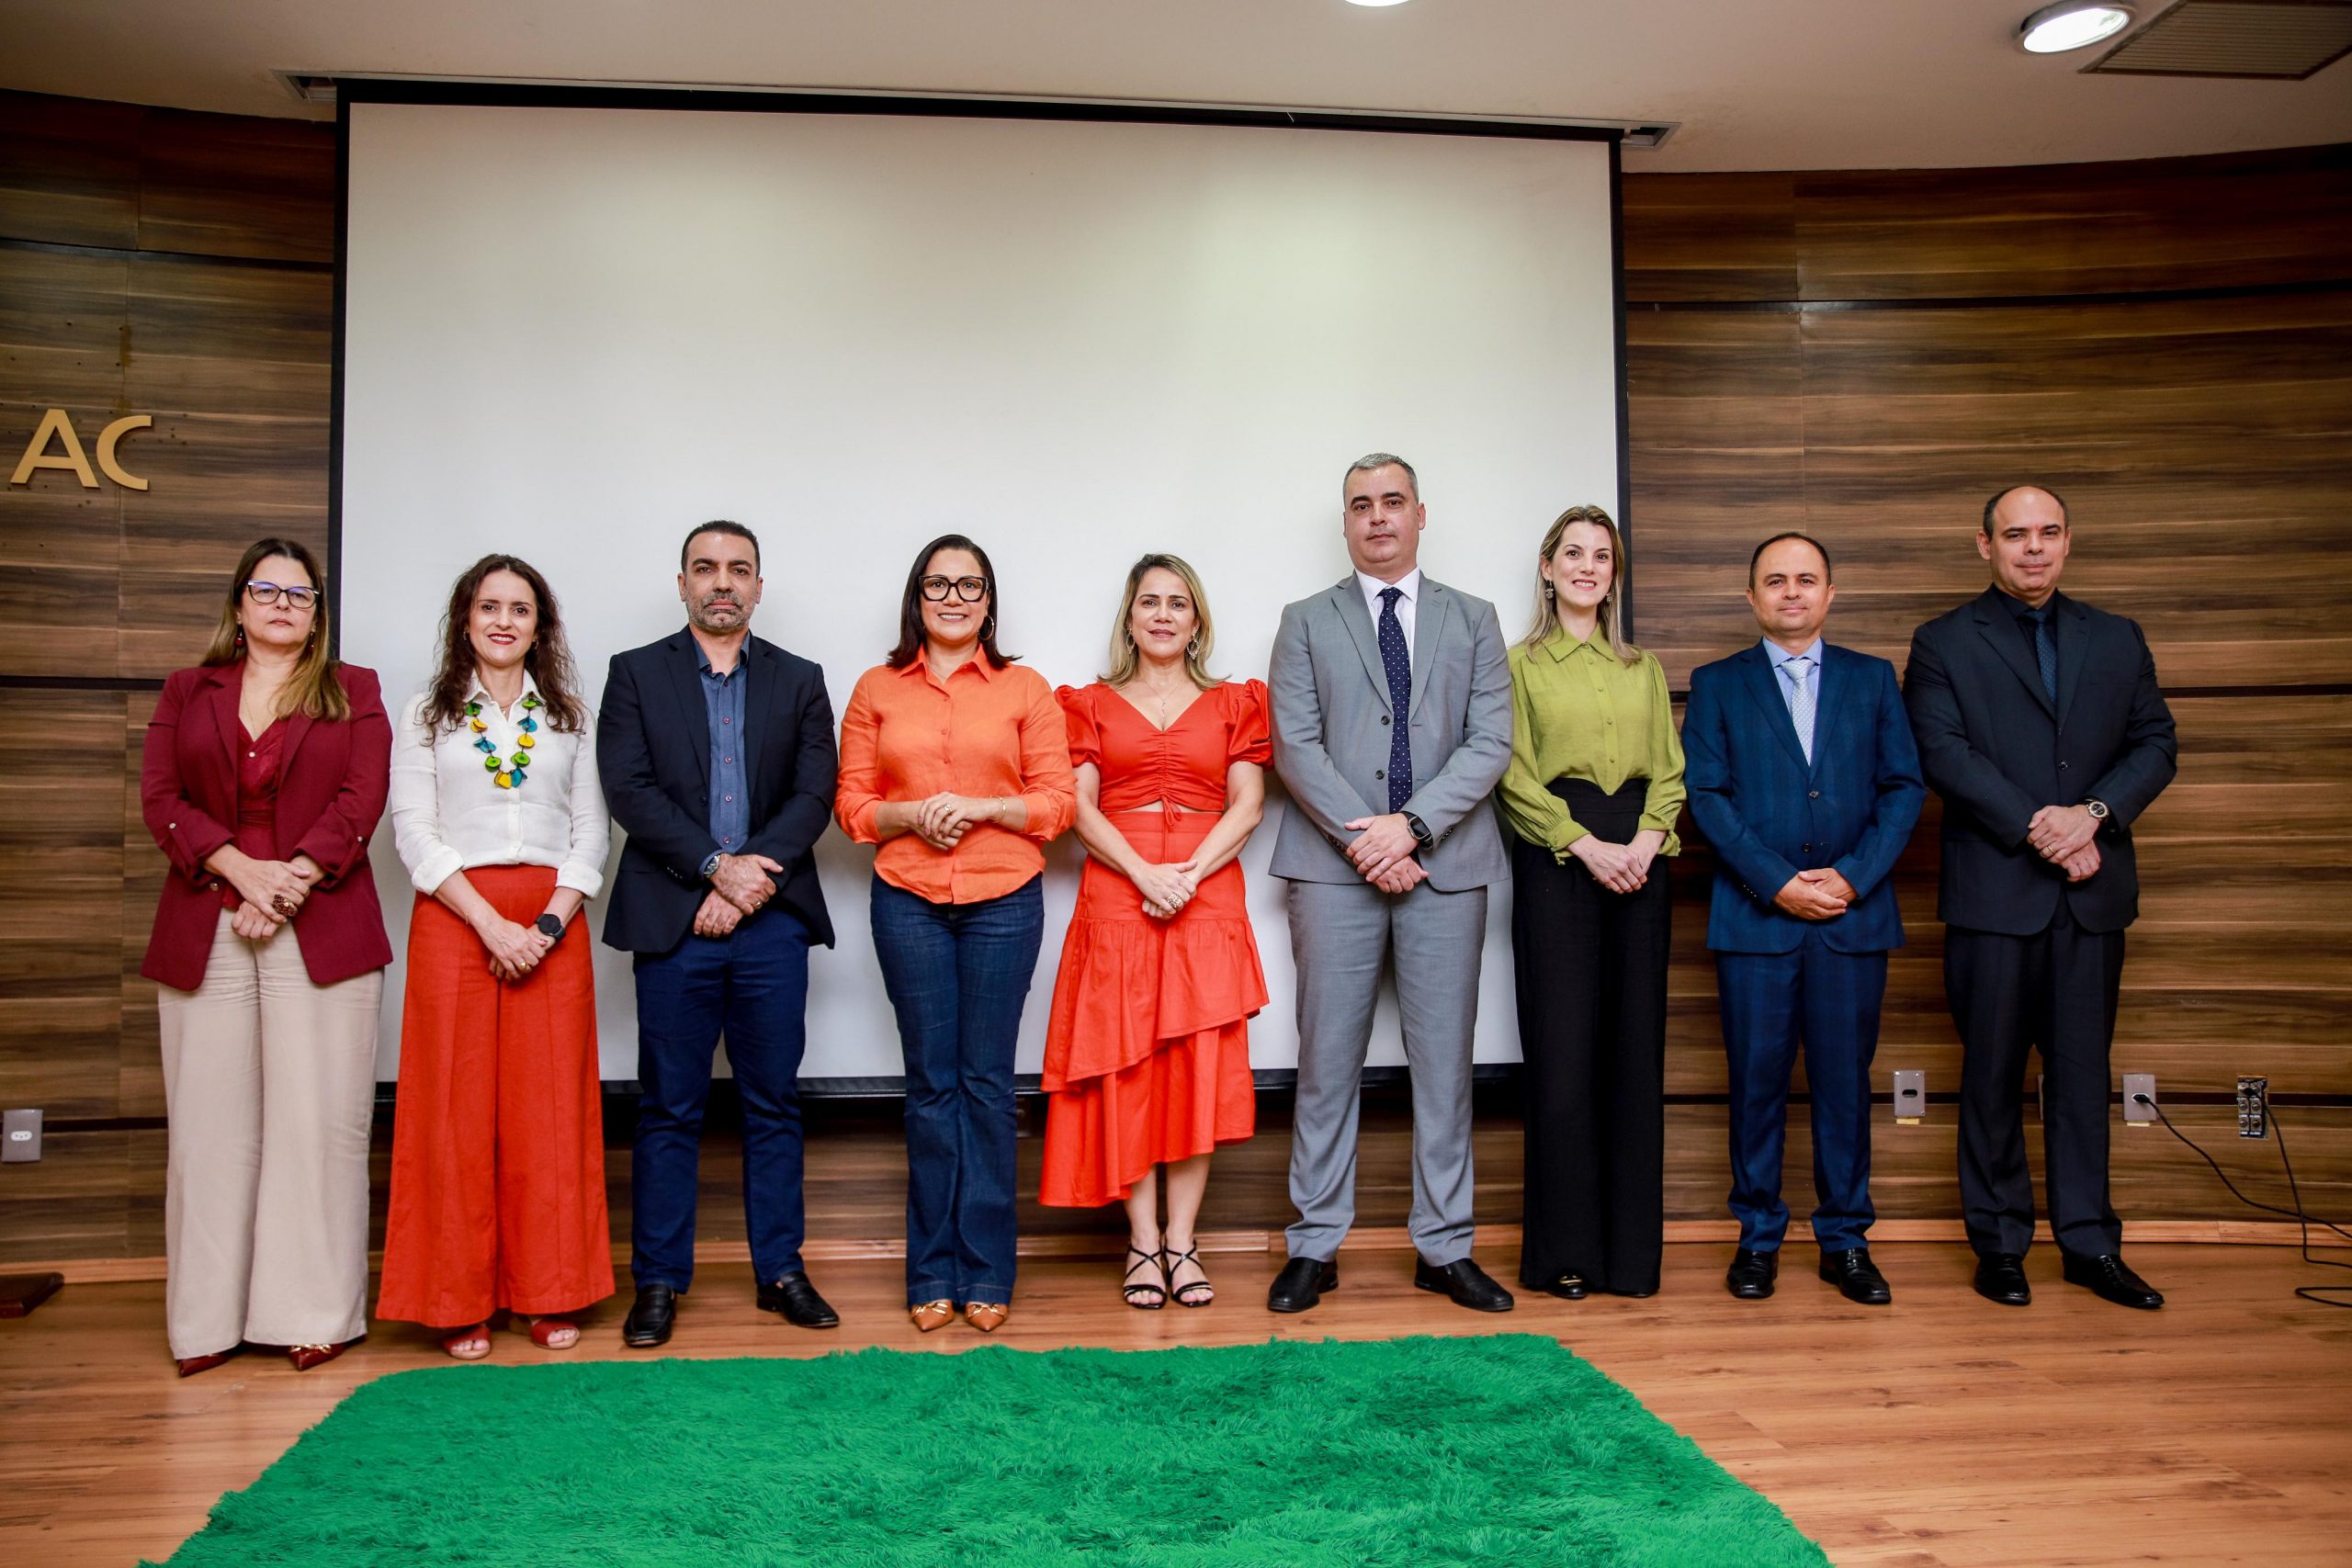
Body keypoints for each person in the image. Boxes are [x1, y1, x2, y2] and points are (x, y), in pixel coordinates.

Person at [1905, 485, 2177, 1311]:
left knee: (2082, 1077)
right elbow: (1942, 752)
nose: (2033, 547)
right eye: (2016, 533)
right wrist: (2042, 826)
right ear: (1984, 544)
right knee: (1991, 1077)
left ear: (2067, 541)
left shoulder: (2118, 636)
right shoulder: (1944, 640)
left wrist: (2091, 814)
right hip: (1996, 894)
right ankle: (1999, 1244)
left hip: (2092, 897)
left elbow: (2155, 742)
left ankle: (2091, 1245)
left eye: (2048, 532)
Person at [1265, 453, 1516, 1314]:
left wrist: (1411, 827)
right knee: (1326, 1062)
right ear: (1345, 523)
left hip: (1447, 866)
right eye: (1361, 505)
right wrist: (1369, 841)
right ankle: (1314, 1244)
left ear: (1420, 514)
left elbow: (1490, 742)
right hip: (1331, 869)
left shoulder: (1475, 618)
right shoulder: (1305, 620)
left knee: (1444, 1068)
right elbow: (1295, 746)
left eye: (1393, 501)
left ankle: (1445, 1248)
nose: (1378, 516)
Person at [137, 537, 392, 1376]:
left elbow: (362, 797)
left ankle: (312, 1311)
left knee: (317, 1125)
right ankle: (206, 1322)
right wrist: (240, 870)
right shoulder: (187, 689)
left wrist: (286, 882)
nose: (283, 604)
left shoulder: (354, 689)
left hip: (321, 916)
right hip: (203, 916)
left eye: (300, 593)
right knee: (208, 1131)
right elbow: (161, 797)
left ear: (317, 613)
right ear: (239, 605)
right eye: (266, 589)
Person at [598, 521, 842, 1348]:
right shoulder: (635, 673)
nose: (722, 582)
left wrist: (744, 885)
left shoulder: (801, 678)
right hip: (674, 923)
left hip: (771, 923)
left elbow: (814, 794)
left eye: (739, 569)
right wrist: (713, 868)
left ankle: (781, 1271)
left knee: (774, 1102)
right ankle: (659, 1280)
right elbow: (629, 790)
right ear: (682, 584)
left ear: (759, 587)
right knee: (670, 1106)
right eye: (705, 568)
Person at [837, 535, 1076, 1334]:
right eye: (937, 584)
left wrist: (980, 809)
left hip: (1004, 899)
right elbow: (852, 805)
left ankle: (987, 1270)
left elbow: (1057, 803)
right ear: (917, 598)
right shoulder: (875, 688)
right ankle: (931, 1271)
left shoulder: (1025, 689)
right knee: (931, 1086)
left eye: (969, 585)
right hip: (907, 899)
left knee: (987, 1085)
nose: (953, 598)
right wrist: (915, 815)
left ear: (988, 601)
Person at [379, 555, 614, 1358]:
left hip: (552, 923)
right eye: (489, 607)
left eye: (520, 609)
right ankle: (459, 1300)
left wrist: (543, 925)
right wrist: (490, 924)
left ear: (540, 626)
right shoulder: (426, 715)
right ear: (465, 620)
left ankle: (549, 1294)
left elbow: (592, 833)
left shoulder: (571, 717)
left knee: (549, 1115)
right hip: (456, 917)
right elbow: (413, 831)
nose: (504, 621)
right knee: (454, 1112)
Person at [1682, 533, 1924, 1306]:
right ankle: (1757, 1238)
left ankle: (1845, 1241)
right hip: (1755, 921)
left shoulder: (1873, 678)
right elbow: (1706, 796)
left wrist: (1851, 877)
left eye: (1807, 579)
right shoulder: (1717, 683)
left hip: (1852, 918)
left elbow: (1904, 788)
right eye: (1776, 580)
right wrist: (1777, 882)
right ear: (1752, 597)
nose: (1792, 592)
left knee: (1844, 1086)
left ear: (1830, 593)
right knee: (1755, 1085)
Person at [1040, 555, 1270, 1310]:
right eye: (1150, 602)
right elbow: (1079, 806)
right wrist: (1145, 874)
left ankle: (1183, 1240)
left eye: (1178, 602)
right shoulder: (1087, 703)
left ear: (1196, 620)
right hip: (1119, 892)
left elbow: (1248, 805)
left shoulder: (1237, 701)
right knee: (1127, 1068)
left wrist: (1187, 874)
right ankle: (1142, 1241)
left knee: (1196, 1068)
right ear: (1130, 617)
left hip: (1207, 893)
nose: (1164, 614)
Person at [1497, 505, 1686, 1300]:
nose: (1586, 566)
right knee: (1564, 1055)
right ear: (1547, 568)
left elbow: (1669, 770)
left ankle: (1632, 1257)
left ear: (1614, 573)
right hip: (1559, 861)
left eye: (1600, 555)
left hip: (1642, 859)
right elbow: (1511, 773)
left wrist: (1644, 840)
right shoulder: (1517, 664)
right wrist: (1583, 843)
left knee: (1635, 1055)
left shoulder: (1643, 667)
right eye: (1571, 553)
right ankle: (1566, 1254)